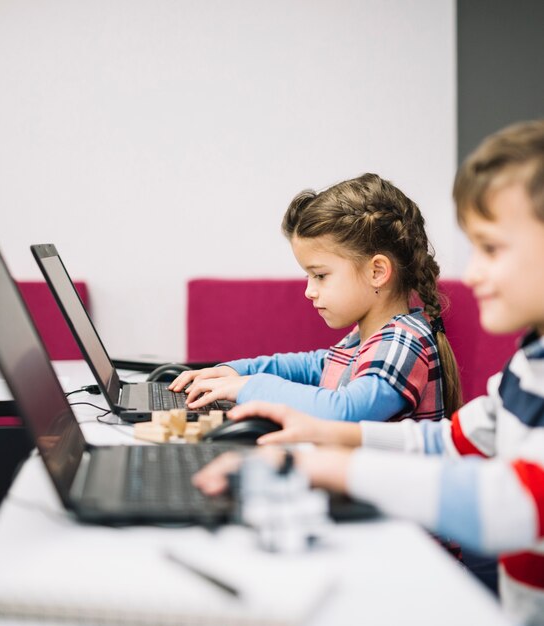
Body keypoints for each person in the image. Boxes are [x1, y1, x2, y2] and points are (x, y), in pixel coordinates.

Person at [194, 120, 544, 626]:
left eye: (491, 249)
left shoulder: (403, 336)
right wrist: (320, 431)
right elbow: (447, 442)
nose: (471, 274)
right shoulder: (528, 364)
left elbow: (510, 503)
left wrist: (319, 465)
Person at [170, 173, 462, 423]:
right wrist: (233, 370)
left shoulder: (403, 343)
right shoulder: (368, 337)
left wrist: (249, 386)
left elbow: (345, 411)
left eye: (320, 275)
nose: (309, 291)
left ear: (377, 272)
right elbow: (314, 366)